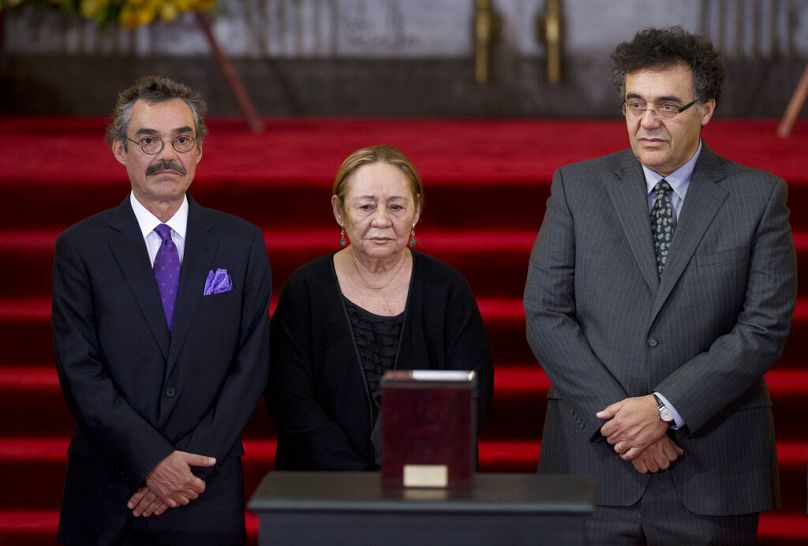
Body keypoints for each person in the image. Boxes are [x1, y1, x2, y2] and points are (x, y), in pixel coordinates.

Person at [524, 27, 797, 545]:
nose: (647, 121)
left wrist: (664, 409)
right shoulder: (576, 188)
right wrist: (625, 424)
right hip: (594, 462)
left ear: (706, 109)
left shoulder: (758, 198)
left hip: (711, 469)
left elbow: (763, 328)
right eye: (635, 104)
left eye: (668, 106)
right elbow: (545, 314)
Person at [52, 75, 271, 545]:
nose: (167, 155)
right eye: (149, 141)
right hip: (111, 487)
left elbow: (251, 364)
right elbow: (79, 370)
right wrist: (152, 461)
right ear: (119, 149)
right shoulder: (80, 248)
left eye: (181, 140)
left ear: (199, 150)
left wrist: (184, 467)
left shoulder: (242, 244)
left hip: (204, 484)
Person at [267, 144, 493, 470]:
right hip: (322, 481)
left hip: (424, 478)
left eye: (396, 206)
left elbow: (472, 392)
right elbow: (288, 397)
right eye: (366, 206)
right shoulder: (307, 288)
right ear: (339, 211)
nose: (382, 220)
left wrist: (412, 464)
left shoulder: (447, 289)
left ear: (417, 210)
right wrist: (350, 475)